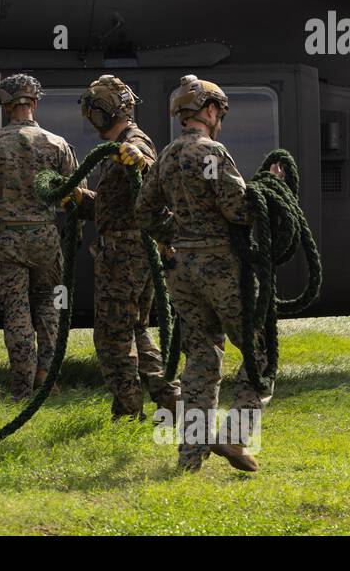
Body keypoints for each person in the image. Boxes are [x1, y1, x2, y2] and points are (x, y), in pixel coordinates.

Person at [135, 74, 284, 473]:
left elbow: (144, 212)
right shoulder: (213, 153)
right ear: (211, 109)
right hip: (223, 266)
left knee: (200, 358)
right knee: (259, 354)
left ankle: (190, 457)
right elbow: (238, 210)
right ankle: (236, 437)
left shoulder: (165, 156)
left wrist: (178, 235)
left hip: (182, 270)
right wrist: (270, 187)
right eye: (221, 111)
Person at [0, 73, 83, 400]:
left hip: (4, 242)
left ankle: (21, 388)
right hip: (45, 239)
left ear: (4, 104)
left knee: (16, 310)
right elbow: (75, 197)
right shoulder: (58, 144)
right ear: (34, 102)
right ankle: (47, 375)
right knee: (47, 305)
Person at [72, 75, 180, 420]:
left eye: (94, 111)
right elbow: (114, 205)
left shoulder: (133, 144)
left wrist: (140, 160)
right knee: (134, 329)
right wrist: (78, 197)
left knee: (111, 337)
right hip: (130, 253)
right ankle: (171, 397)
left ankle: (128, 413)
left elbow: (154, 180)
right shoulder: (118, 147)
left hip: (126, 256)